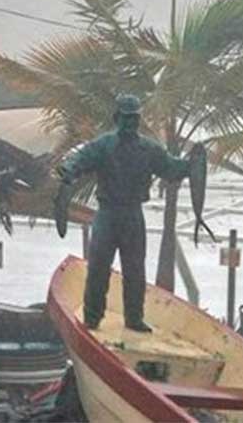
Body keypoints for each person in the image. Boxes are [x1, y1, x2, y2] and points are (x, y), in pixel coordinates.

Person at [56, 94, 192, 332]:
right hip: (107, 214)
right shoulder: (103, 145)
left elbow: (170, 168)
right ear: (118, 118)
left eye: (135, 118)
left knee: (135, 271)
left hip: (132, 215)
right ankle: (92, 317)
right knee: (98, 267)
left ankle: (134, 318)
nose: (131, 123)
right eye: (127, 118)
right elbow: (81, 158)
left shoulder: (149, 149)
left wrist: (191, 165)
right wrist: (69, 169)